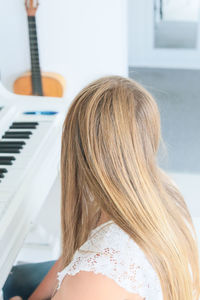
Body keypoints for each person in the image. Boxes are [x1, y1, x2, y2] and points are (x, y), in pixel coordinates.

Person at [3, 75, 200, 300]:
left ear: (77, 153)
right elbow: (75, 252)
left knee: (11, 282)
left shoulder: (99, 274)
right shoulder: (160, 189)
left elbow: (90, 277)